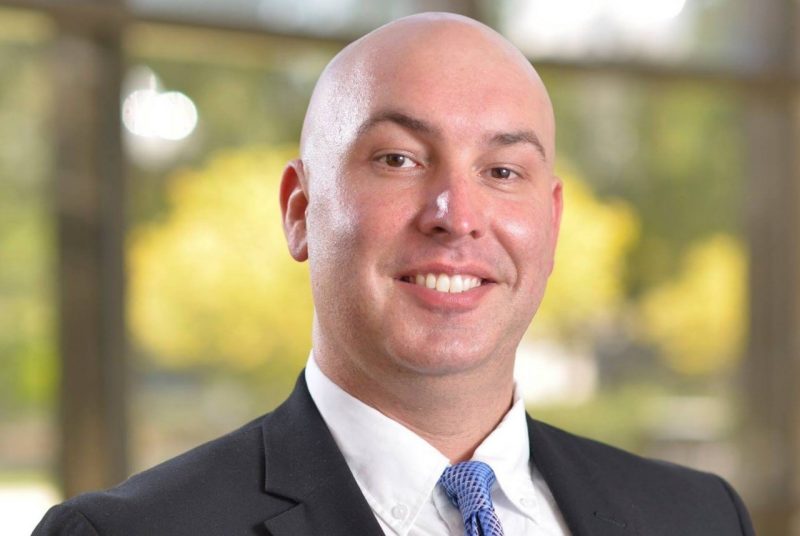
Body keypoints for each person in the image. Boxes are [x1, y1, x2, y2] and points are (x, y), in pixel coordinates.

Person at [34, 12, 755, 536]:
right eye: (399, 160)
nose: (456, 214)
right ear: (299, 210)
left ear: (552, 224)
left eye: (503, 170)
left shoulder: (699, 517)